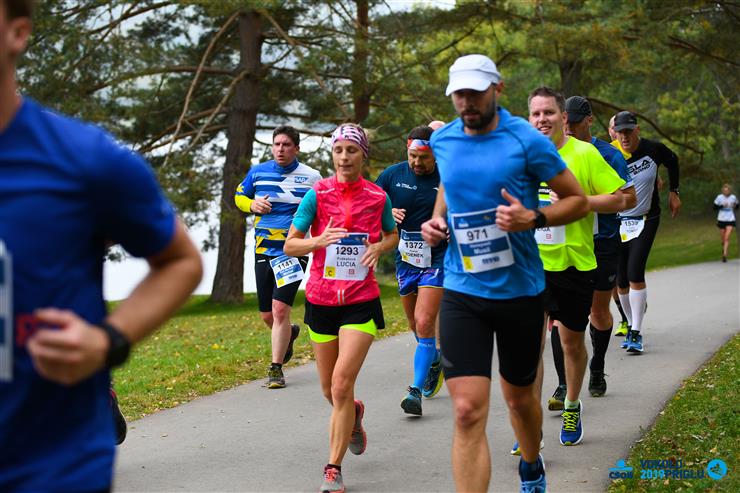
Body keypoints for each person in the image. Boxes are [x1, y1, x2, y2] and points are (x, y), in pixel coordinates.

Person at [0, 1, 203, 491]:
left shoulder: (85, 160)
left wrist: (109, 340)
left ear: (17, 33)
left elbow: (180, 261)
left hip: (52, 470)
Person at [421, 54, 589, 493]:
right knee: (466, 411)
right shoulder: (445, 140)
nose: (467, 102)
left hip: (520, 292)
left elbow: (577, 201)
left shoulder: (527, 140)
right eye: (459, 94)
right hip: (462, 288)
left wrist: (533, 217)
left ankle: (531, 463)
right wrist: (437, 220)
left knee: (519, 400)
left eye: (475, 93)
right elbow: (449, 185)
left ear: (497, 89)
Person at [283, 123, 399, 493]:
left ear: (363, 154)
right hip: (321, 300)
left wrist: (379, 247)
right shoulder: (316, 195)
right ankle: (354, 414)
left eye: (351, 150)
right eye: (338, 150)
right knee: (330, 391)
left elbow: (392, 235)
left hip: (361, 301)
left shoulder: (378, 197)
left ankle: (333, 468)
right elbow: (290, 245)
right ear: (332, 154)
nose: (344, 157)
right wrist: (318, 241)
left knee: (341, 383)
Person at [528, 87, 626, 447]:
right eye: (536, 114)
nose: (543, 119)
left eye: (549, 113)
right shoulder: (520, 156)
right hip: (531, 265)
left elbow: (623, 198)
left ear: (563, 117)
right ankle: (530, 424)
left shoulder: (584, 154)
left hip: (575, 263)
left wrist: (580, 200)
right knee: (530, 347)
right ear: (528, 119)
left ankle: (571, 404)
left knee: (571, 343)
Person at [235, 126, 321, 388]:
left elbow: (325, 208)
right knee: (267, 315)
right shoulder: (258, 172)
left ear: (297, 148)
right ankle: (289, 334)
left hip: (294, 251)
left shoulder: (312, 177)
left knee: (280, 309)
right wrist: (252, 204)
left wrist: (319, 242)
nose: (280, 149)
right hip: (263, 249)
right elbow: (239, 196)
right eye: (276, 144)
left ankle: (276, 368)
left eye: (286, 145)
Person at [563, 96, 636, 398]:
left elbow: (628, 198)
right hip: (567, 243)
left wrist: (586, 203)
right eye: (565, 123)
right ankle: (564, 384)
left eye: (575, 123)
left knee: (598, 311)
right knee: (564, 316)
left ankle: (597, 365)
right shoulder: (554, 154)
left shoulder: (609, 154)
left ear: (589, 120)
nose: (569, 129)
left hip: (602, 241)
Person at [376, 125, 446, 416]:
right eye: (412, 156)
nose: (417, 162)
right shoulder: (392, 175)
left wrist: (450, 227)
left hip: (438, 256)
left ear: (435, 155)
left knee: (425, 319)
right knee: (414, 324)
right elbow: (369, 207)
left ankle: (414, 391)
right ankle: (435, 359)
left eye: (423, 158)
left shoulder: (446, 176)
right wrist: (386, 214)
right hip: (406, 259)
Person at [614, 110, 680, 353]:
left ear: (637, 130)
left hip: (646, 218)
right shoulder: (610, 154)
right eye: (620, 132)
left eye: (628, 131)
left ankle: (636, 332)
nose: (624, 137)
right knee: (621, 280)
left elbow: (673, 161)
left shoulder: (654, 149)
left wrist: (674, 192)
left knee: (634, 271)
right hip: (618, 221)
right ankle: (631, 321)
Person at [714, 184, 738, 262]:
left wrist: (735, 205)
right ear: (722, 191)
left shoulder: (733, 197)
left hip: (730, 219)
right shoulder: (719, 197)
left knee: (727, 237)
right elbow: (714, 208)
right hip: (721, 219)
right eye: (724, 190)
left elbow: (737, 206)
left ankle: (725, 254)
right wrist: (722, 206)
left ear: (729, 191)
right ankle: (723, 245)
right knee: (723, 238)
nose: (726, 192)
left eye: (727, 190)